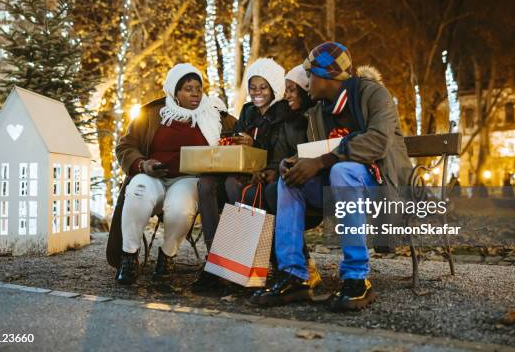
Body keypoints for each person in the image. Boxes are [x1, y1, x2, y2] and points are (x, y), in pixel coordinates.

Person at [250, 42, 412, 311]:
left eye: (310, 74)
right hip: (339, 189)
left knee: (342, 169)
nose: (308, 81)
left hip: (383, 186)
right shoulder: (320, 111)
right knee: (291, 179)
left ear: (326, 76)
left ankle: (356, 278)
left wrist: (323, 161)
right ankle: (294, 274)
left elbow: (378, 141)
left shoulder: (374, 95)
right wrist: (297, 163)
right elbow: (318, 152)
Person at [105, 63, 235, 285]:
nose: (194, 93)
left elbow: (237, 140)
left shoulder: (217, 117)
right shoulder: (151, 114)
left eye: (198, 88)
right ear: (175, 92)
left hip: (188, 178)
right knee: (137, 191)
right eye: (187, 88)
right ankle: (129, 256)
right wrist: (142, 164)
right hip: (152, 174)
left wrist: (240, 141)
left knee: (181, 208)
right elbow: (125, 146)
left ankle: (167, 256)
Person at [194, 58, 308, 289]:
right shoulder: (247, 112)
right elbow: (237, 146)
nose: (257, 93)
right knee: (206, 184)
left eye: (263, 87)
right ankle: (216, 259)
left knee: (236, 187)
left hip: (268, 174)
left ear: (274, 87)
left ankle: (242, 263)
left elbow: (284, 153)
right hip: (242, 168)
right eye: (253, 87)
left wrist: (254, 144)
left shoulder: (285, 114)